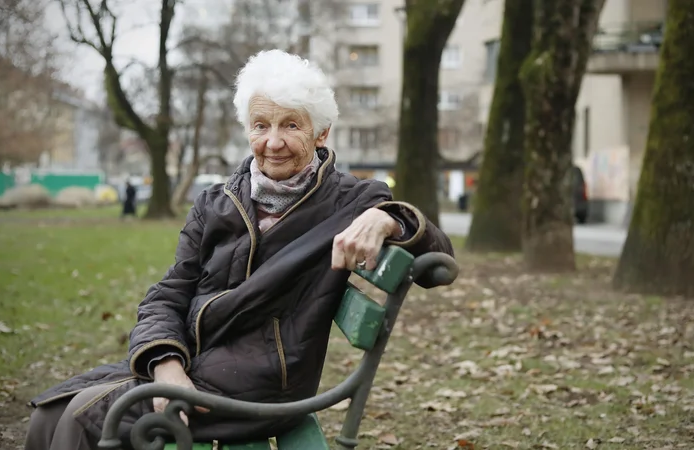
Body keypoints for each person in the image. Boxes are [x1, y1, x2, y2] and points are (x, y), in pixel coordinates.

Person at [24, 49, 454, 449]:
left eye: (291, 125)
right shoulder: (217, 201)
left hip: (260, 384)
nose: (273, 141)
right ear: (248, 128)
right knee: (48, 415)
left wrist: (389, 218)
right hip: (193, 361)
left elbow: (440, 260)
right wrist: (164, 360)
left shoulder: (351, 201)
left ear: (321, 132)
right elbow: (170, 291)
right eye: (261, 125)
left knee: (80, 421)